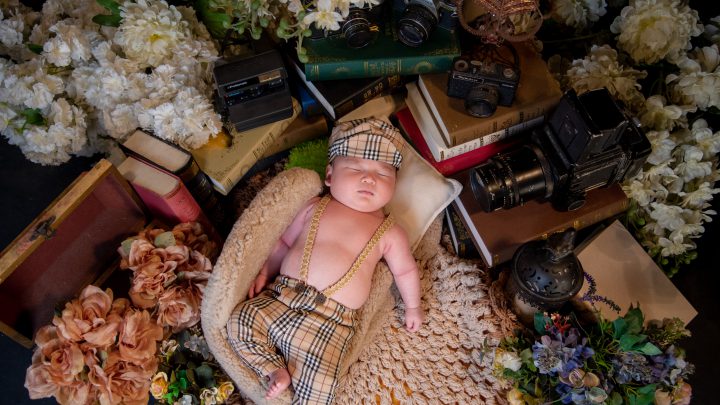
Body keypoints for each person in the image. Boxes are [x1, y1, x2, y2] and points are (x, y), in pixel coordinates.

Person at [226, 118, 424, 404]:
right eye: (355, 169)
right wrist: (265, 271)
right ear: (330, 175)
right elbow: (284, 243)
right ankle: (273, 369)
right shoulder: (314, 206)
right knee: (240, 321)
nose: (369, 179)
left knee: (323, 386)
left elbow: (405, 270)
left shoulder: (390, 231)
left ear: (395, 184)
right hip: (283, 297)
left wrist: (413, 306)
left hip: (330, 324)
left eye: (383, 173)